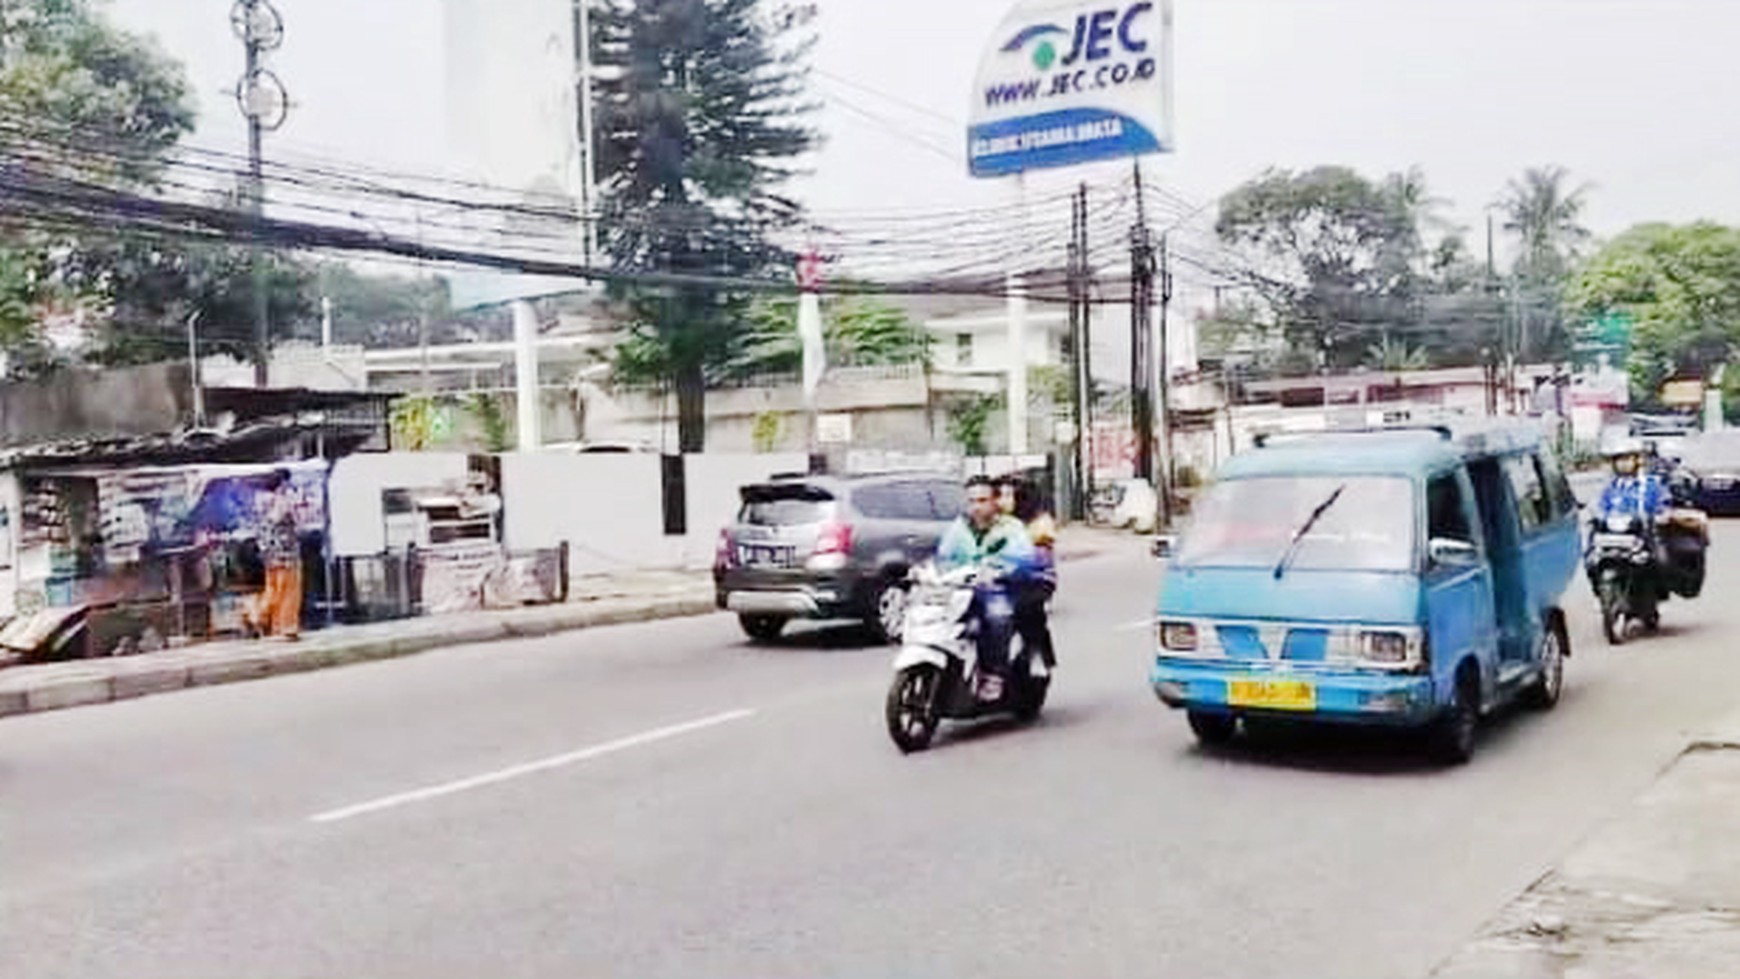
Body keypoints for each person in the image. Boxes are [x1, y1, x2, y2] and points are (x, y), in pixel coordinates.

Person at [936, 475, 1038, 694]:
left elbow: (1024, 559)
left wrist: (999, 570)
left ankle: (994, 674)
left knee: (998, 617)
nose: (977, 507)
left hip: (996, 590)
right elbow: (945, 556)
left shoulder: (1011, 528)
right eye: (972, 501)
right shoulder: (959, 527)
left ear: (995, 501)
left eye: (982, 500)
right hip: (962, 590)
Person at [1010, 478, 1058, 669]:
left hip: (1036, 579)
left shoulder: (1041, 523)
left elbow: (1039, 556)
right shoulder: (1002, 522)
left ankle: (1037, 654)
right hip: (1002, 578)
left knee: (1028, 610)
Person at [252, 469, 304, 641]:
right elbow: (297, 521)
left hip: (268, 554)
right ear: (282, 483)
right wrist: (295, 506)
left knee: (272, 589)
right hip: (286, 553)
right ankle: (288, 627)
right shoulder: (282, 501)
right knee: (289, 591)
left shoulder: (258, 502)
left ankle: (257, 615)